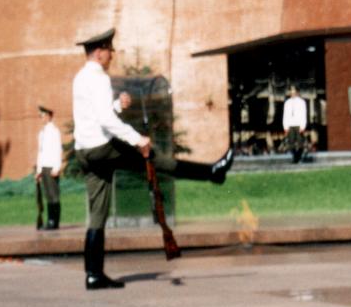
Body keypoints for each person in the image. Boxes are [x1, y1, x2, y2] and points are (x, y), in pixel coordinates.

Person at [73, 27, 234, 290]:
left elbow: (93, 115)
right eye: (109, 51)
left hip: (86, 152)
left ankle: (93, 275)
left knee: (97, 215)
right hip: (103, 147)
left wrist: (116, 106)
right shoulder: (100, 78)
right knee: (155, 160)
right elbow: (104, 121)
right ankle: (212, 172)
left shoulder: (80, 77)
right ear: (100, 52)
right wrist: (138, 139)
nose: (112, 56)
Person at [35, 105, 63, 230]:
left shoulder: (54, 131)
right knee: (47, 195)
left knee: (53, 195)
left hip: (52, 167)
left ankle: (54, 222)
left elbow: (58, 150)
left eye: (43, 115)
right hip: (44, 167)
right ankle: (49, 220)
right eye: (40, 116)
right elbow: (40, 152)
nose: (41, 118)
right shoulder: (42, 132)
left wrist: (57, 167)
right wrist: (39, 170)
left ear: (49, 116)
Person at [282, 85, 307, 163]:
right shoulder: (287, 103)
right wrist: (285, 126)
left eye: (294, 91)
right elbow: (285, 115)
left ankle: (297, 157)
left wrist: (303, 126)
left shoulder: (302, 102)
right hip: (290, 125)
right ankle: (295, 157)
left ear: (297, 92)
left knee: (300, 143)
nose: (292, 93)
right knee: (291, 143)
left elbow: (304, 114)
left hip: (299, 124)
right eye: (291, 91)